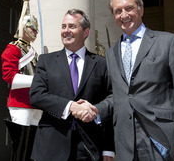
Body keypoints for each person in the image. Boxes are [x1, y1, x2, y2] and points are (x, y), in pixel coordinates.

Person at [74, 0, 174, 161]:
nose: (124, 15)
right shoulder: (111, 53)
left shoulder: (168, 42)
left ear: (141, 10)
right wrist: (96, 109)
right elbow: (117, 96)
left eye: (129, 8)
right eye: (118, 11)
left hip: (160, 138)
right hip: (125, 143)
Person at [29, 9, 114, 161]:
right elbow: (36, 96)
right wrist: (71, 106)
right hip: (51, 147)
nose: (66, 31)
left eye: (72, 26)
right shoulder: (46, 61)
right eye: (63, 26)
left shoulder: (101, 63)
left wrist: (108, 148)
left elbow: (111, 100)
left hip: (89, 147)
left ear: (86, 32)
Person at [1, 0, 42, 161]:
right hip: (20, 102)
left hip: (35, 103)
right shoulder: (13, 49)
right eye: (33, 29)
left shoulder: (33, 52)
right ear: (24, 28)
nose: (36, 32)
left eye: (36, 29)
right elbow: (9, 76)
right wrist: (36, 81)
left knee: (32, 146)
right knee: (20, 146)